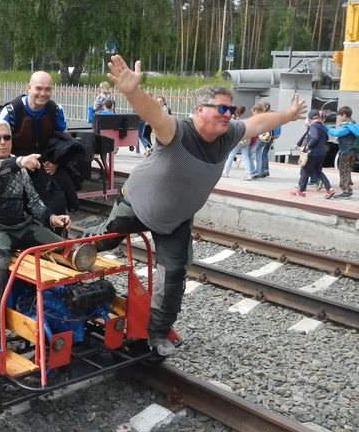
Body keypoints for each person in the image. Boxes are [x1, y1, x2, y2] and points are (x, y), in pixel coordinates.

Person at [98, 56, 306, 356]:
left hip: (176, 221)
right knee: (103, 240)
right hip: (137, 205)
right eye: (221, 109)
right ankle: (62, 252)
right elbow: (156, 116)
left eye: (230, 110)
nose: (228, 115)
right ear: (199, 110)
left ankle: (156, 335)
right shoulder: (178, 132)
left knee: (174, 277)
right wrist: (133, 92)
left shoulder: (229, 135)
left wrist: (287, 114)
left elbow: (258, 122)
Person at [0, 117, 71, 347]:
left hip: (21, 225)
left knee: (66, 248)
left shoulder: (18, 166)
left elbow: (32, 200)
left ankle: (70, 303)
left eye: (7, 137)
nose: (3, 142)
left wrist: (51, 218)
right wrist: (20, 161)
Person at [0, 71, 67, 157]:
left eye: (47, 89)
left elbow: (64, 141)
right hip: (16, 164)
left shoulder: (56, 110)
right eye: (39, 88)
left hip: (46, 164)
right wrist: (17, 162)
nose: (43, 93)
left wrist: (55, 162)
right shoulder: (10, 112)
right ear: (29, 87)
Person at [292, 110, 335, 199]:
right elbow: (326, 138)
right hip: (322, 153)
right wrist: (299, 143)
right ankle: (329, 189)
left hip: (313, 153)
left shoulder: (314, 126)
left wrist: (307, 146)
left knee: (305, 170)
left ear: (311, 118)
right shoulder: (323, 127)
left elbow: (314, 137)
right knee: (318, 171)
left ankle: (301, 191)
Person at [326, 106, 359, 198]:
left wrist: (327, 128)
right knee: (347, 169)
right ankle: (348, 185)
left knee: (343, 170)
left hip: (346, 150)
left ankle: (346, 190)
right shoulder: (354, 124)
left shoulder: (347, 126)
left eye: (340, 116)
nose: (340, 118)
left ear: (344, 115)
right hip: (352, 150)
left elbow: (336, 133)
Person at [221, 105, 248, 177]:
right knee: (246, 156)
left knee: (230, 155)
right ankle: (250, 173)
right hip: (243, 139)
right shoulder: (244, 120)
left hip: (234, 138)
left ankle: (225, 171)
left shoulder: (232, 119)